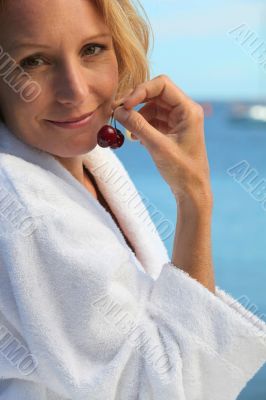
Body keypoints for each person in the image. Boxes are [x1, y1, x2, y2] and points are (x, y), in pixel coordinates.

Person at [0, 0, 265, 399]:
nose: (75, 90)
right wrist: (194, 196)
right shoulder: (22, 205)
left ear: (120, 51)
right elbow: (172, 391)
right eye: (34, 61)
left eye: (92, 49)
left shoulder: (85, 160)